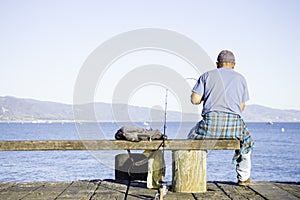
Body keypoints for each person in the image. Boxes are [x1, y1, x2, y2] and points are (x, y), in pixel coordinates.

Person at [188, 50, 254, 186]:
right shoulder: (241, 78)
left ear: (217, 64)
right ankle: (243, 178)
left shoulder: (206, 76)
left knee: (191, 139)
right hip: (234, 127)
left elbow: (195, 100)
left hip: (210, 125)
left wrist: (205, 96)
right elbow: (241, 107)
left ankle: (194, 175)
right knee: (247, 143)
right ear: (234, 65)